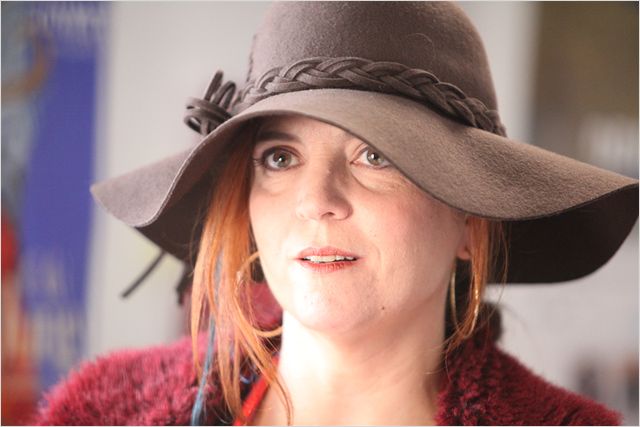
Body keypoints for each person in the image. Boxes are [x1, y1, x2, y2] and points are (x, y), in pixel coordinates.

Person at [35, 2, 638, 426]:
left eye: (375, 155)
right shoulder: (101, 413)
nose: (315, 199)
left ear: (471, 222)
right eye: (280, 157)